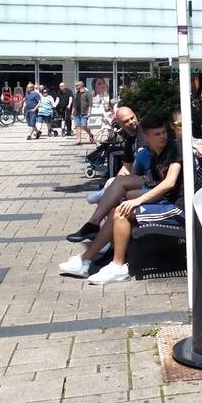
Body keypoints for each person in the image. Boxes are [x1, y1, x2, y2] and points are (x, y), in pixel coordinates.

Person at [59, 115, 183, 284]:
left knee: (121, 212)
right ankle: (85, 259)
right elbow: (149, 180)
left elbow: (169, 183)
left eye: (163, 132)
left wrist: (137, 201)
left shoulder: (175, 149)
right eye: (157, 134)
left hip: (176, 208)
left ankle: (117, 266)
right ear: (146, 138)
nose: (163, 136)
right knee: (116, 206)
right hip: (163, 200)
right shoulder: (153, 154)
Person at [65, 106, 143, 242]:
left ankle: (97, 230)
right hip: (138, 180)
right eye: (126, 121)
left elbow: (139, 166)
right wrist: (113, 182)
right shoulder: (131, 139)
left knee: (114, 200)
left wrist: (116, 184)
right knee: (110, 192)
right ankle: (102, 236)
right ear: (118, 123)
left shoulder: (144, 133)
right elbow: (126, 167)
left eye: (132, 118)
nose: (131, 122)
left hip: (147, 181)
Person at [73, 81, 95, 145]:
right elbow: (74, 104)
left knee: (84, 125)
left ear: (81, 85)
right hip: (76, 113)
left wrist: (89, 112)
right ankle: (78, 140)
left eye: (77, 85)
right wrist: (72, 113)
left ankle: (90, 134)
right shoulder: (76, 94)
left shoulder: (87, 93)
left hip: (84, 112)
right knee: (77, 126)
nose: (76, 87)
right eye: (76, 85)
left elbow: (90, 104)